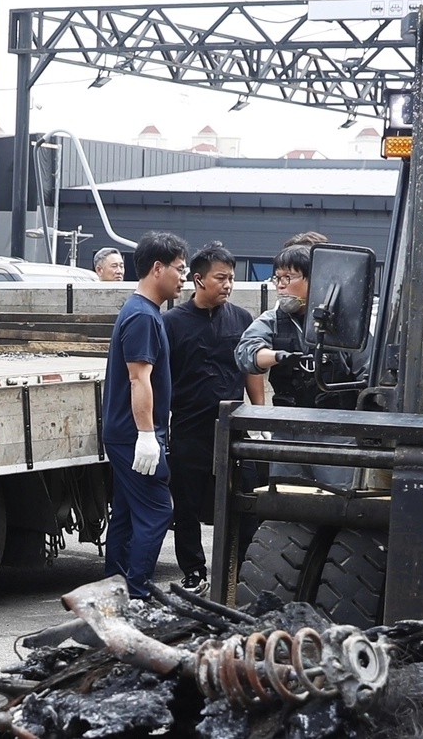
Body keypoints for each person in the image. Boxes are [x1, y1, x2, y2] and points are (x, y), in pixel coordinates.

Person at [161, 242, 263, 591]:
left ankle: (239, 573)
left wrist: (260, 417)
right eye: (220, 278)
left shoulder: (242, 319)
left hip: (234, 430)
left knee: (245, 502)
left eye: (231, 278)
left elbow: (251, 370)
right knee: (187, 508)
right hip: (190, 429)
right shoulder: (171, 323)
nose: (228, 285)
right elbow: (161, 378)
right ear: (198, 279)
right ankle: (194, 573)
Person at [101, 231, 188, 600]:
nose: (184, 277)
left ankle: (112, 592)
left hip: (125, 433)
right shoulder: (142, 317)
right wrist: (148, 435)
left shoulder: (145, 312)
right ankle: (137, 595)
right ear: (158, 268)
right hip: (133, 435)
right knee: (155, 514)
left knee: (124, 514)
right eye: (180, 269)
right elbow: (139, 380)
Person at [235, 243, 362, 410]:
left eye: (288, 277)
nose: (280, 284)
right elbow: (244, 354)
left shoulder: (344, 323)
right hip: (287, 429)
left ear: (314, 279)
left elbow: (368, 376)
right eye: (277, 278)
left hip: (339, 430)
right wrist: (279, 356)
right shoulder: (272, 320)